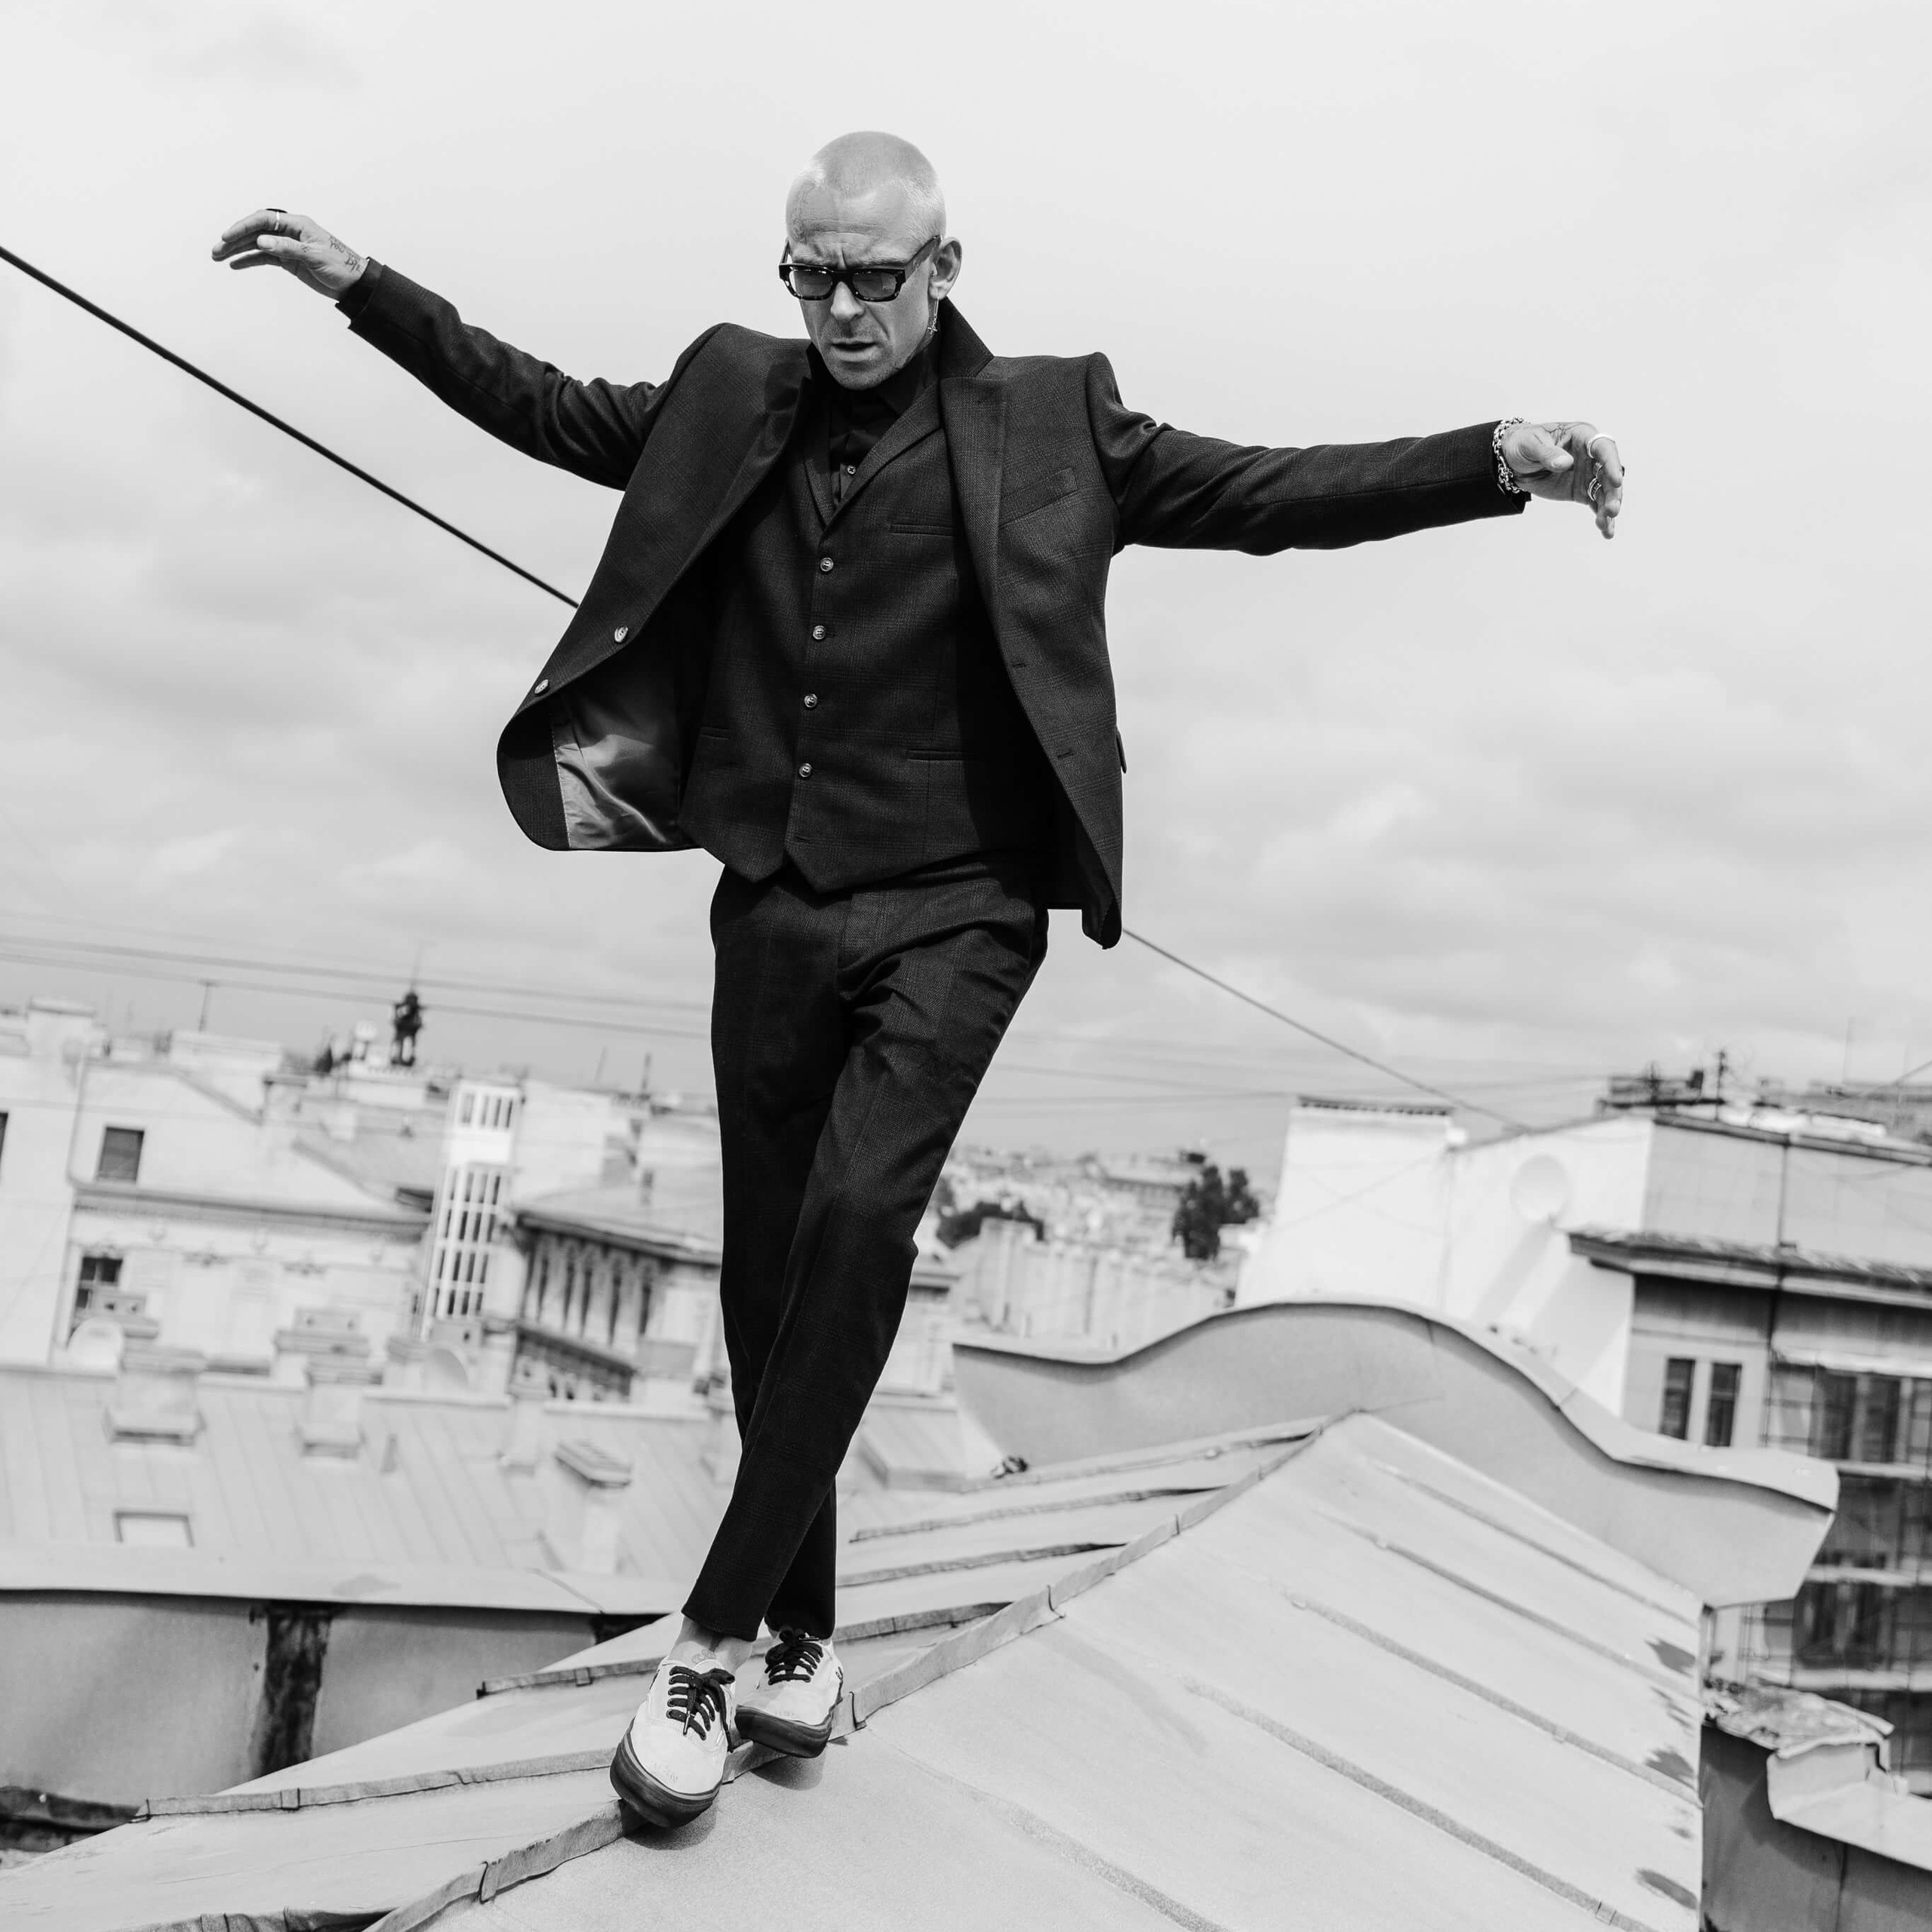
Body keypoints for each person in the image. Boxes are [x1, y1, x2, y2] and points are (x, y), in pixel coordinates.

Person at [213, 131, 1623, 1828]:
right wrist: (364, 287)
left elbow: (1266, 496)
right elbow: (541, 405)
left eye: (871, 275)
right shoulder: (731, 387)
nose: (838, 307)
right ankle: (808, 1626)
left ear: (946, 265)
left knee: (863, 1220)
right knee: (763, 1284)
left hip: (959, 908)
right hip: (777, 898)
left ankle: (712, 1638)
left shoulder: (1054, 418)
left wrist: (1494, 458)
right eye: (808, 273)